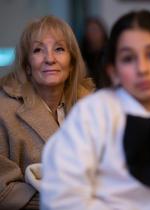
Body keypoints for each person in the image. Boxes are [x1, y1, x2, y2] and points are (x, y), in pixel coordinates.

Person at [41, 10, 150, 210]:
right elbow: (63, 195)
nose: (142, 68)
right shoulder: (92, 113)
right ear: (113, 71)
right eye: (128, 58)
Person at [0, 15, 94, 210]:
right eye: (38, 50)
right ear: (27, 65)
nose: (50, 59)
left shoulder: (94, 106)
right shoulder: (4, 110)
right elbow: (3, 190)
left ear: (72, 62)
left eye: (59, 49)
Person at [80, 17, 111, 89]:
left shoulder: (109, 52)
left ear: (102, 32)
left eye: (94, 30)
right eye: (89, 31)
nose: (92, 34)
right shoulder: (83, 53)